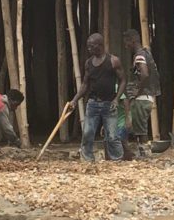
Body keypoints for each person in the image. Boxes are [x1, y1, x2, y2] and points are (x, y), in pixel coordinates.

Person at [69, 33, 127, 161]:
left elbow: (123, 80)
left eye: (91, 46)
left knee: (112, 135)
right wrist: (74, 100)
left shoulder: (113, 61)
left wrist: (117, 99)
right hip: (93, 103)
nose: (89, 49)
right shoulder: (89, 63)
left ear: (99, 46)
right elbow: (85, 84)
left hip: (109, 103)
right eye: (88, 47)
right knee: (88, 133)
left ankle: (117, 159)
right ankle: (87, 159)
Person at [123, 29, 161, 157]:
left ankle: (145, 155)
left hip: (142, 97)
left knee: (140, 130)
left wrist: (137, 91)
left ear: (132, 41)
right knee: (140, 128)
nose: (125, 46)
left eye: (126, 42)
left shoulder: (139, 55)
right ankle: (142, 153)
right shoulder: (147, 53)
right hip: (148, 96)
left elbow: (144, 74)